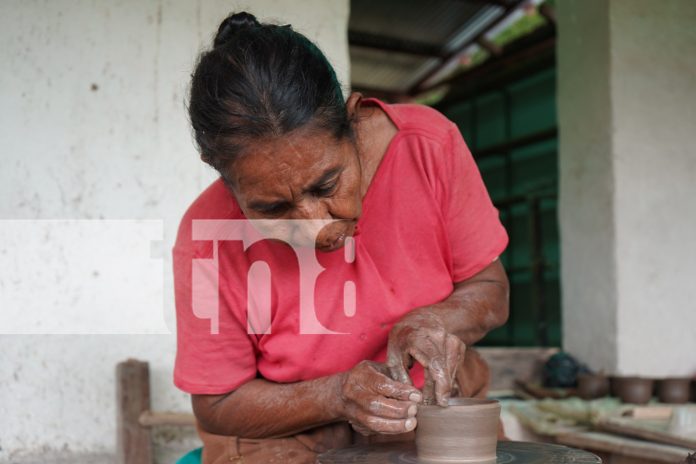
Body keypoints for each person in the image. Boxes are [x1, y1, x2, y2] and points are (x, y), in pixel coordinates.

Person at [173, 11, 510, 464]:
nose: (316, 225)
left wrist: (435, 321)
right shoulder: (207, 238)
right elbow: (217, 405)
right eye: (273, 208)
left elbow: (491, 291)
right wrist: (336, 395)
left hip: (432, 415)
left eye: (326, 185)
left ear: (353, 121)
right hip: (287, 437)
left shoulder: (426, 147)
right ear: (226, 182)